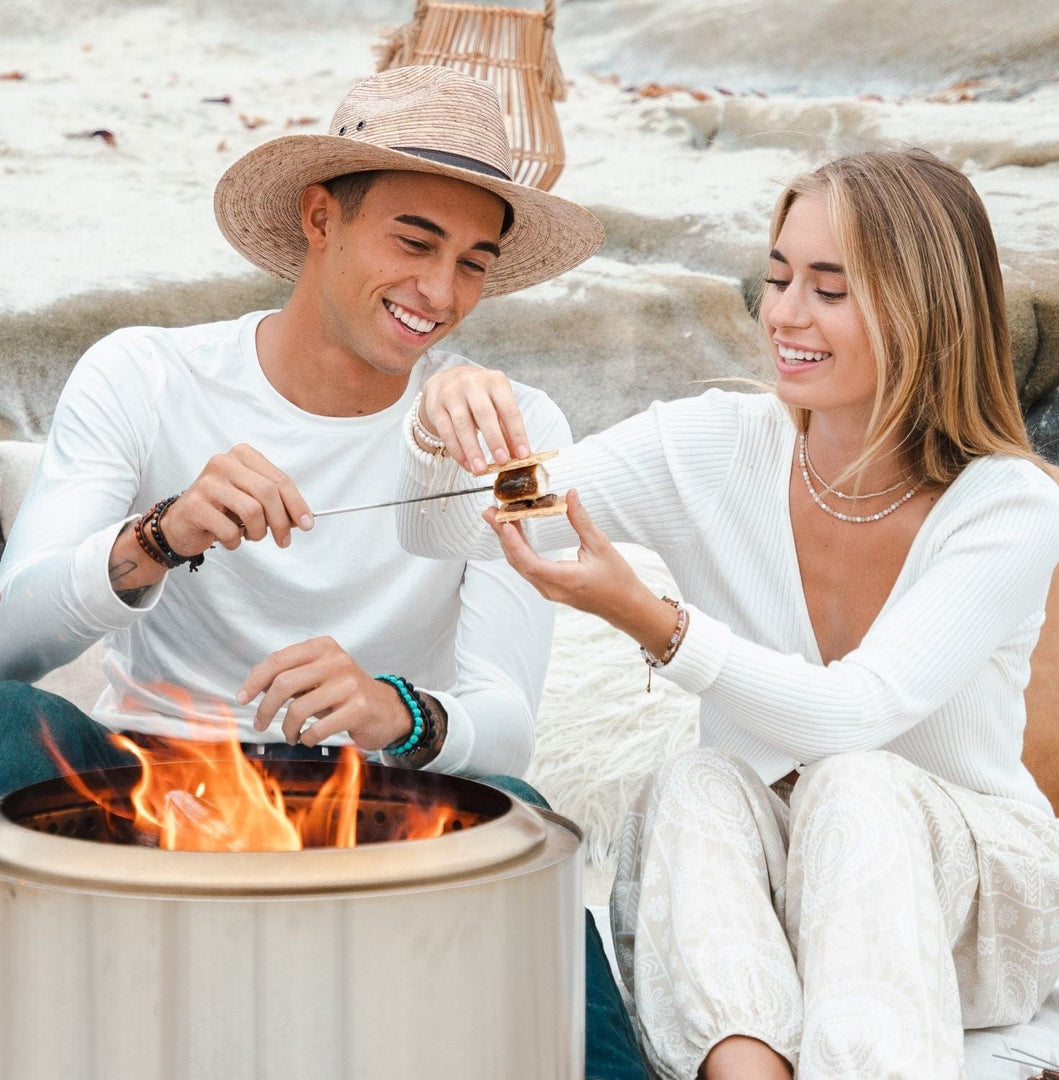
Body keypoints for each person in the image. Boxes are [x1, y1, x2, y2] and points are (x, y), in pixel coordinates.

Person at [0, 66, 649, 1079]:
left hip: (370, 807)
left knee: (519, 816)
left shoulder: (508, 429)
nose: (441, 293)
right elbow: (11, 640)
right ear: (319, 218)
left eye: (473, 262)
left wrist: (398, 710)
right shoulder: (145, 374)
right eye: (413, 240)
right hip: (150, 790)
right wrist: (155, 537)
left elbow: (505, 719)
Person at [395, 147, 1059, 1078]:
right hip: (781, 894)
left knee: (854, 782)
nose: (784, 315)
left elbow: (854, 717)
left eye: (830, 290)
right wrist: (444, 416)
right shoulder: (712, 446)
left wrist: (654, 621)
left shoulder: (1006, 505)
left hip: (973, 905)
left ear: (925, 309)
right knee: (698, 783)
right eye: (777, 277)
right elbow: (457, 531)